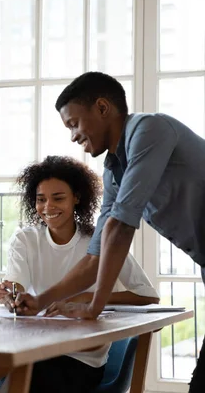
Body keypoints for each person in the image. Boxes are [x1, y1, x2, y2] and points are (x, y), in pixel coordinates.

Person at [14, 71, 205, 392]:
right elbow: (96, 255)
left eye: (74, 123)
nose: (73, 136)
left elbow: (120, 226)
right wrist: (40, 299)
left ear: (102, 108)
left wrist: (94, 306)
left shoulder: (150, 129)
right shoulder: (114, 171)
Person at [0, 155, 159, 393]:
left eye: (58, 198)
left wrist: (85, 299)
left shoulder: (100, 242)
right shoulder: (25, 239)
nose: (48, 207)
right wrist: (12, 296)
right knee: (23, 370)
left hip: (81, 359)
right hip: (34, 348)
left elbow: (148, 296)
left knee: (30, 376)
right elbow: (18, 285)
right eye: (41, 200)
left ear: (77, 198)